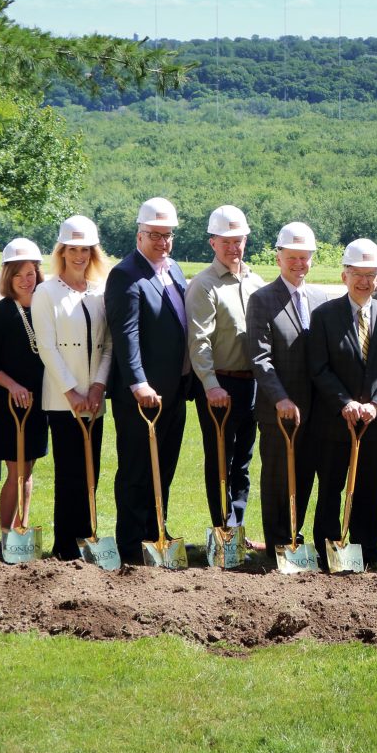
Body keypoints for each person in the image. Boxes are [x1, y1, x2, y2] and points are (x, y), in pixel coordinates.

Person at [105, 198, 195, 563]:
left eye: (168, 235)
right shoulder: (125, 275)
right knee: (137, 470)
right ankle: (129, 543)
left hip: (173, 391)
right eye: (155, 235)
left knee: (165, 467)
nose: (162, 242)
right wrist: (138, 383)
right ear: (139, 235)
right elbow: (125, 335)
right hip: (141, 397)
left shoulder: (172, 269)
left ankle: (156, 530)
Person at [308, 239, 377, 568]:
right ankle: (327, 549)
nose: (365, 281)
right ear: (344, 276)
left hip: (375, 422)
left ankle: (367, 549)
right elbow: (318, 367)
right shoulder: (323, 316)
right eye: (358, 274)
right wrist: (344, 403)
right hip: (335, 420)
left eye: (371, 275)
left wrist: (376, 405)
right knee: (332, 485)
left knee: (368, 486)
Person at [246, 222, 328, 562]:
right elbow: (259, 356)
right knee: (278, 475)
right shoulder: (262, 300)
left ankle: (294, 535)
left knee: (305, 474)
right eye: (292, 257)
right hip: (278, 409)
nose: (298, 264)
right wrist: (280, 397)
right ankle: (277, 541)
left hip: (314, 409)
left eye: (304, 257)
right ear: (279, 257)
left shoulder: (320, 298)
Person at [33, 216, 112, 561]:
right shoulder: (46, 292)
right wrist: (72, 392)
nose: (79, 255)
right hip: (63, 400)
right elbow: (47, 347)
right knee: (69, 474)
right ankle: (65, 546)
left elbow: (107, 345)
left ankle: (87, 537)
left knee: (91, 471)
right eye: (72, 249)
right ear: (61, 251)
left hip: (94, 400)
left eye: (85, 249)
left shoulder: (100, 292)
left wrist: (97, 388)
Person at [187, 204, 266, 539]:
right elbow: (198, 340)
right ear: (213, 243)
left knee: (243, 464)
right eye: (227, 241)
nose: (234, 247)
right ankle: (222, 532)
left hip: (253, 386)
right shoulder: (204, 285)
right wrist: (210, 385)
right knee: (221, 461)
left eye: (239, 240)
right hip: (221, 386)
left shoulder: (254, 281)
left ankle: (236, 528)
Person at [0, 238, 48, 534]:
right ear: (8, 276)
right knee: (16, 470)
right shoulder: (0, 312)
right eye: (19, 274)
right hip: (10, 402)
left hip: (38, 402)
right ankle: (6, 534)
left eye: (31, 274)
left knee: (29, 469)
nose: (26, 281)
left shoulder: (45, 307)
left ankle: (21, 531)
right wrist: (13, 386)